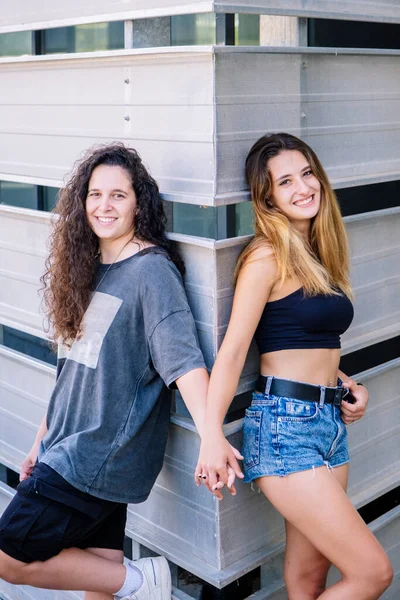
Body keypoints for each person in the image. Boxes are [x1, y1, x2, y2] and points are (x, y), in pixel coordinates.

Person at [0, 143, 209, 600]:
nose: (104, 206)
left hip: (98, 455)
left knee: (8, 556)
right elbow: (71, 374)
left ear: (139, 203)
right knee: (100, 580)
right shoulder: (88, 271)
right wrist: (41, 439)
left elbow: (184, 360)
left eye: (118, 195)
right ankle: (131, 584)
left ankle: (146, 583)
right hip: (73, 447)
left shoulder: (152, 272)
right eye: (95, 194)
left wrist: (211, 436)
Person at [195, 133, 394, 599]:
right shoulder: (266, 256)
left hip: (328, 422)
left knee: (308, 582)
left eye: (307, 173)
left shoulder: (319, 254)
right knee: (373, 573)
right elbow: (234, 351)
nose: (304, 187)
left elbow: (308, 342)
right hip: (285, 429)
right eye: (286, 182)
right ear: (268, 199)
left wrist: (347, 385)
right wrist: (210, 434)